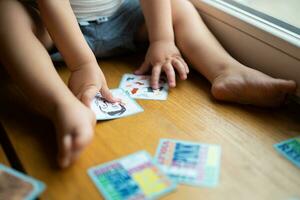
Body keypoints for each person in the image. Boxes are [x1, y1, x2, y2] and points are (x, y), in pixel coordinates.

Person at [0, 0, 296, 168]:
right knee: (6, 16)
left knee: (179, 5)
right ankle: (60, 105)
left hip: (121, 17)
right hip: (52, 30)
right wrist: (82, 65)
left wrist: (162, 39)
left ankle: (225, 69)